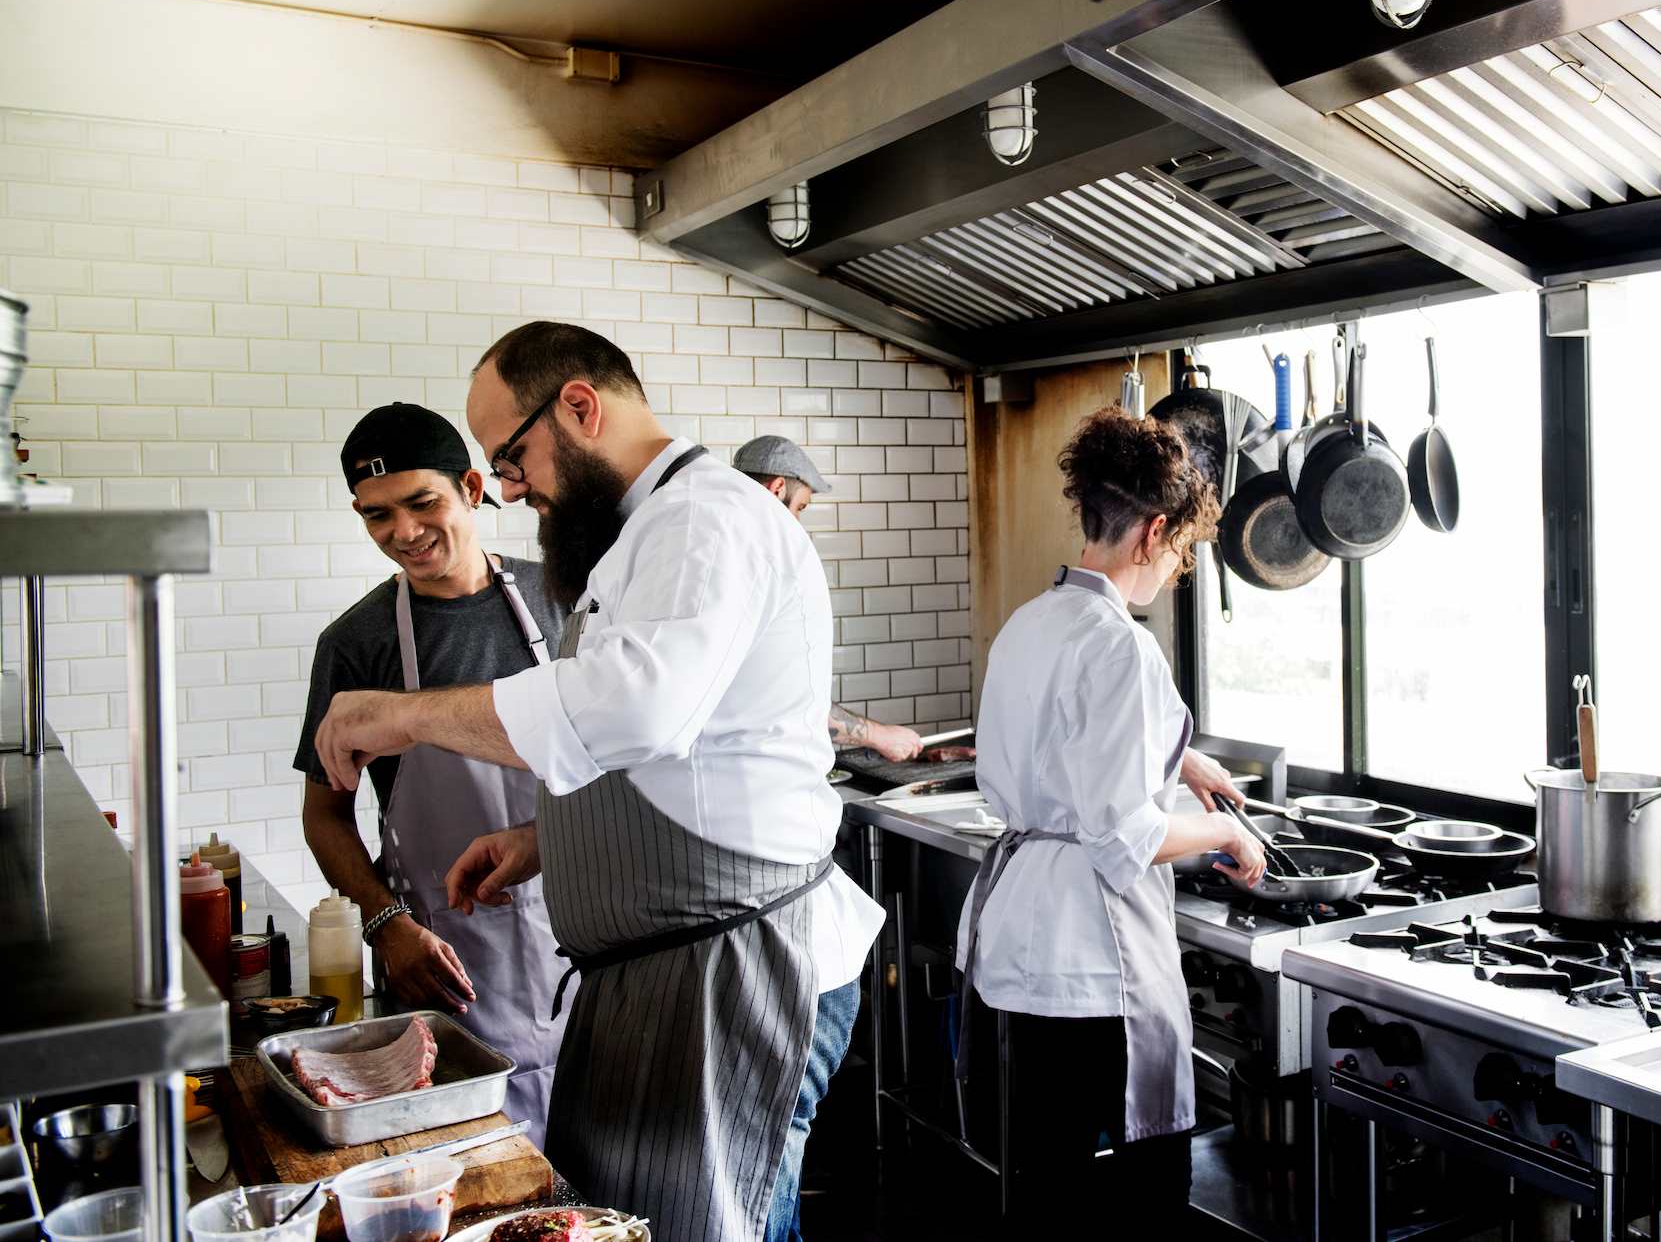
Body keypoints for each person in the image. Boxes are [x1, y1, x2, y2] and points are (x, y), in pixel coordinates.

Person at [310, 322, 881, 1242]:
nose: (509, 487)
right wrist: (549, 841)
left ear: (580, 406)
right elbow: (678, 753)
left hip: (732, 968)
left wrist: (405, 714)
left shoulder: (706, 519)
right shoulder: (646, 535)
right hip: (668, 974)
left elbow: (633, 711)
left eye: (513, 456)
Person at [955, 406, 1267, 1227]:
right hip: (1090, 969)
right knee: (1143, 1200)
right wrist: (1230, 833)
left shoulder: (1032, 621)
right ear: (1153, 531)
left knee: (1043, 1189)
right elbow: (1130, 835)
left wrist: (1176, 754)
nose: (1175, 569)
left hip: (1015, 948)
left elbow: (1052, 758)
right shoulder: (1123, 645)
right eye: (1182, 552)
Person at [295, 403, 566, 1137]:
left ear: (472, 488)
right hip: (449, 960)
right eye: (376, 516)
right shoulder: (357, 642)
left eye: (422, 503)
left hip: (586, 939)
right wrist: (387, 926)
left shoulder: (566, 595)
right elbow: (324, 815)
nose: (404, 534)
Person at [734, 433, 927, 764]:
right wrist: (879, 735)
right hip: (759, 776)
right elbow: (787, 697)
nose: (797, 523)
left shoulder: (726, 553)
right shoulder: (762, 568)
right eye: (801, 508)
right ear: (777, 488)